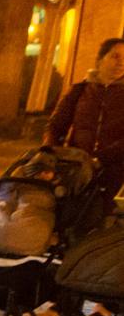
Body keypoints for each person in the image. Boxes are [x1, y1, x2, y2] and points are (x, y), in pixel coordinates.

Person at [44, 37, 124, 198]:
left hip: (116, 168)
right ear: (100, 59)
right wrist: (49, 154)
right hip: (77, 164)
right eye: (115, 56)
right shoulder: (80, 90)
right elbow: (56, 126)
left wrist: (100, 159)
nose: (121, 63)